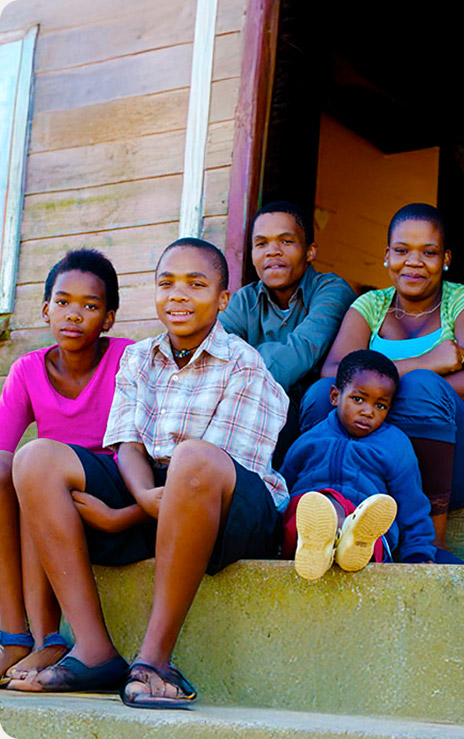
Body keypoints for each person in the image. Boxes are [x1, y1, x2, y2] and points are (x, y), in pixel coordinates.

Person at [11, 238, 289, 706]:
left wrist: (121, 517)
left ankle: (155, 659)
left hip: (231, 512)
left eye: (196, 285)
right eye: (167, 284)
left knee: (192, 458)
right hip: (157, 499)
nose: (178, 295)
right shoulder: (139, 358)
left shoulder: (244, 364)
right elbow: (129, 443)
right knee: (35, 457)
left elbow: (207, 474)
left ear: (223, 300)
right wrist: (139, 495)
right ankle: (94, 648)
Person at [300, 203, 464, 549]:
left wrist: (385, 391)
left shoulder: (462, 301)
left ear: (446, 258)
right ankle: (324, 518)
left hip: (453, 464)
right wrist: (428, 361)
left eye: (429, 252)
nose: (414, 262)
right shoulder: (370, 306)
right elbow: (333, 375)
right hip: (376, 457)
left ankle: (429, 549)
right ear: (387, 255)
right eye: (402, 251)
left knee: (422, 389)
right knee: (321, 394)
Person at [0, 249, 146, 686]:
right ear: (45, 309)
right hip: (52, 488)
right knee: (10, 471)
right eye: (63, 302)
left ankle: (57, 638)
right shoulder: (28, 369)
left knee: (35, 462)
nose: (74, 314)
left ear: (109, 318)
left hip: (117, 487)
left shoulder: (128, 358)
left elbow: (153, 452)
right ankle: (16, 634)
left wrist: (123, 514)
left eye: (90, 306)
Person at [282, 350, 437, 580]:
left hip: (367, 534)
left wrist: (418, 554)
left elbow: (412, 504)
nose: (368, 412)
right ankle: (323, 544)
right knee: (312, 505)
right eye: (358, 399)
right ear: (335, 396)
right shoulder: (310, 440)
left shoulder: (394, 445)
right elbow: (282, 488)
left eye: (381, 406)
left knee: (367, 517)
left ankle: (349, 543)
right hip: (304, 526)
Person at [219, 201, 355, 464]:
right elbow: (214, 352)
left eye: (286, 242)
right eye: (261, 244)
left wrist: (241, 365)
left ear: (310, 251)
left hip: (313, 416)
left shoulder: (331, 290)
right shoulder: (244, 300)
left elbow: (299, 354)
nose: (273, 252)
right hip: (252, 411)